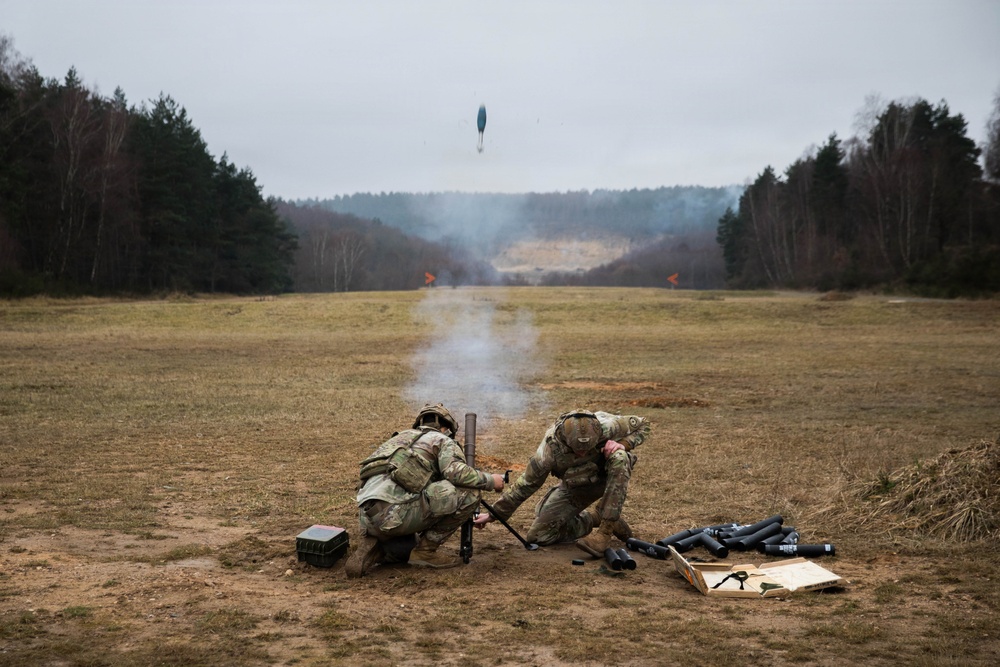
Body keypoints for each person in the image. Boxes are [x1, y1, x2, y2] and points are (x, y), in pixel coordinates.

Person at [345, 403, 505, 577]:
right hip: (396, 515)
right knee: (470, 492)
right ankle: (425, 551)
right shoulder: (442, 440)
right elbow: (455, 473)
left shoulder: (398, 439)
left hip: (367, 516)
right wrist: (491, 480)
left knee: (405, 546)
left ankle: (382, 547)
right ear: (446, 428)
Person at [473, 409, 650, 557]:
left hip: (607, 479)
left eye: (587, 449)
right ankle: (594, 518)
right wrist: (495, 514)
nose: (582, 453)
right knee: (538, 536)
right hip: (576, 486)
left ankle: (605, 530)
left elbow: (644, 425)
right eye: (576, 450)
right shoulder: (548, 452)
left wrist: (624, 444)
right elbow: (526, 485)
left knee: (619, 457)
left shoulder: (606, 426)